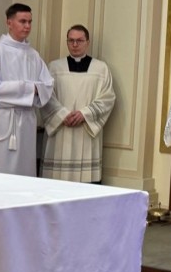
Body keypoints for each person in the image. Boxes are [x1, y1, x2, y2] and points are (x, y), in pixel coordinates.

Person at [41, 25, 116, 183]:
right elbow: (46, 96)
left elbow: (107, 98)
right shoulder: (54, 67)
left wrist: (85, 114)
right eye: (71, 40)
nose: (75, 44)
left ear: (87, 42)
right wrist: (62, 114)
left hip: (86, 131)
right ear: (67, 42)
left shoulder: (100, 68)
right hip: (61, 130)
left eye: (79, 40)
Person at [0, 3, 54, 176]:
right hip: (3, 120)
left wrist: (32, 90)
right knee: (3, 169)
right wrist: (28, 88)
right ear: (9, 23)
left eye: (30, 22)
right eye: (22, 21)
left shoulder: (33, 55)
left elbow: (47, 85)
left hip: (27, 121)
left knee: (25, 170)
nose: (27, 26)